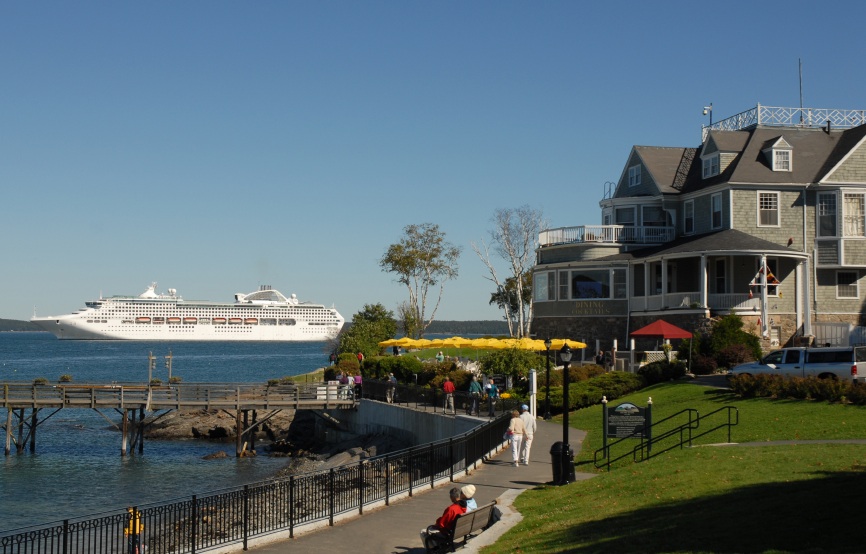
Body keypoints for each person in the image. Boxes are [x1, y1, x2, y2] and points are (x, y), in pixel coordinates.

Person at [420, 487, 466, 552]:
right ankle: (439, 546)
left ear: (452, 497)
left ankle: (433, 549)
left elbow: (442, 524)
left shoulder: (451, 509)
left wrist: (436, 522)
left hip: (449, 533)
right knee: (432, 531)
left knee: (423, 532)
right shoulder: (463, 506)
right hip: (459, 530)